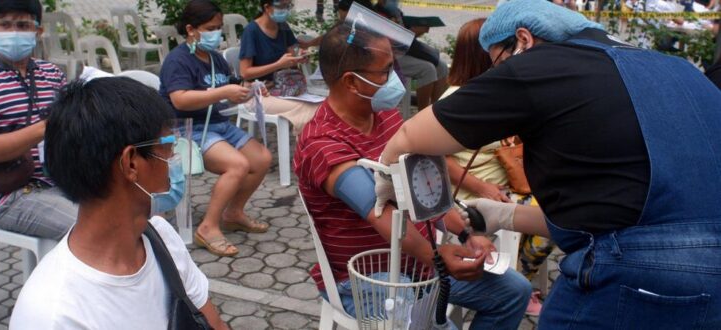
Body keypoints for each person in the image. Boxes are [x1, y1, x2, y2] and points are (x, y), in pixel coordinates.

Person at [376, 0, 721, 328]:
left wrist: (386, 172)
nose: (498, 75)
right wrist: (507, 216)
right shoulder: (676, 69)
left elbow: (410, 135)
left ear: (523, 40)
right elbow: (640, 212)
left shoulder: (542, 64)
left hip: (634, 278)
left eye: (497, 63)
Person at [295, 21, 530, 329]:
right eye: (386, 70)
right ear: (352, 82)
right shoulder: (323, 143)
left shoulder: (387, 116)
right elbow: (381, 212)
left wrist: (467, 236)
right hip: (367, 275)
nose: (397, 78)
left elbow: (426, 188)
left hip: (419, 261)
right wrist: (438, 256)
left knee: (514, 291)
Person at [9, 77, 229, 329]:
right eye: (169, 146)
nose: (176, 159)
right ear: (131, 163)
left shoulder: (161, 238)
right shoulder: (54, 315)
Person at [443, 18, 550, 317]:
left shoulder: (496, 95)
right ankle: (518, 284)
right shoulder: (457, 99)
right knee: (550, 220)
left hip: (505, 188)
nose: (511, 55)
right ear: (482, 54)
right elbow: (439, 160)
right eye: (504, 48)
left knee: (553, 210)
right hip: (468, 193)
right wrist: (482, 187)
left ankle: (516, 277)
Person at [160, 0, 272, 257]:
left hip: (218, 124)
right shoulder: (177, 61)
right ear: (191, 29)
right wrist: (222, 92)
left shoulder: (215, 59)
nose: (216, 33)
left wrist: (250, 90)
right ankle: (208, 227)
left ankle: (233, 212)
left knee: (262, 158)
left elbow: (230, 89)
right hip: (189, 129)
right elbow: (180, 99)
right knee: (237, 165)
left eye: (219, 27)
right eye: (211, 28)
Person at [0, 0, 76, 239]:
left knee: (132, 209)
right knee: (96, 228)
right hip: (12, 196)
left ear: (38, 31)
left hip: (63, 181)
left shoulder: (51, 74)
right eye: (4, 25)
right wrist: (45, 128)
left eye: (22, 25)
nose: (13, 32)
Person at [238, 0, 321, 133]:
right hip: (258, 93)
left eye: (288, 6)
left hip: (284, 88)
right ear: (267, 7)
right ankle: (306, 148)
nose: (286, 10)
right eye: (282, 6)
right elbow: (245, 73)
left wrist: (299, 58)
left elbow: (290, 58)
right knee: (306, 109)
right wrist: (278, 65)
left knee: (322, 105)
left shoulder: (283, 27)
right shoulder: (251, 31)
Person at [374, 0, 449, 110]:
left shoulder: (396, 13)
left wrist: (415, 30)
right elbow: (385, 41)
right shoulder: (376, 15)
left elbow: (406, 37)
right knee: (428, 69)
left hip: (404, 51)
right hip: (388, 56)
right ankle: (423, 112)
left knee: (442, 66)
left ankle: (438, 110)